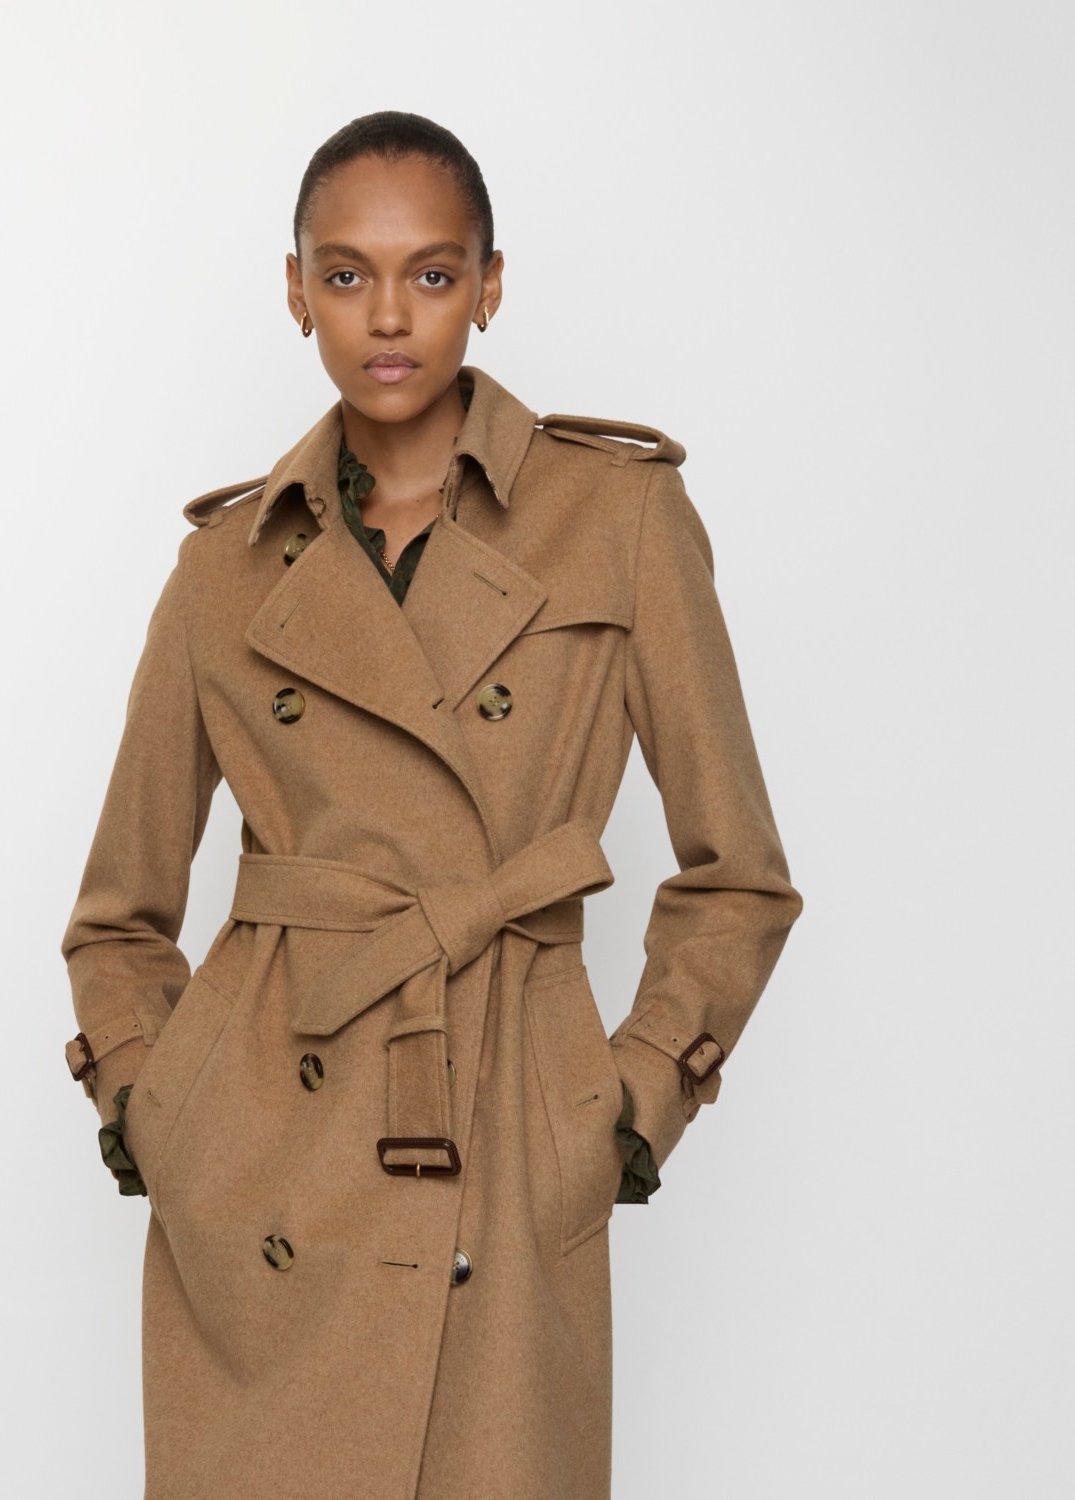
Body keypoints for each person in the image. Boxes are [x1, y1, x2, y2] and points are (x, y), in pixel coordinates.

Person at [60, 110, 803, 1500]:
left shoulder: (618, 520)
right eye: (346, 275)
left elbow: (738, 872)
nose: (388, 316)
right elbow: (118, 912)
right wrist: (161, 1108)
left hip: (503, 1126)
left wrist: (624, 1106)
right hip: (268, 1158)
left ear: (490, 284)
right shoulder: (225, 569)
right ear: (296, 293)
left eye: (433, 273)